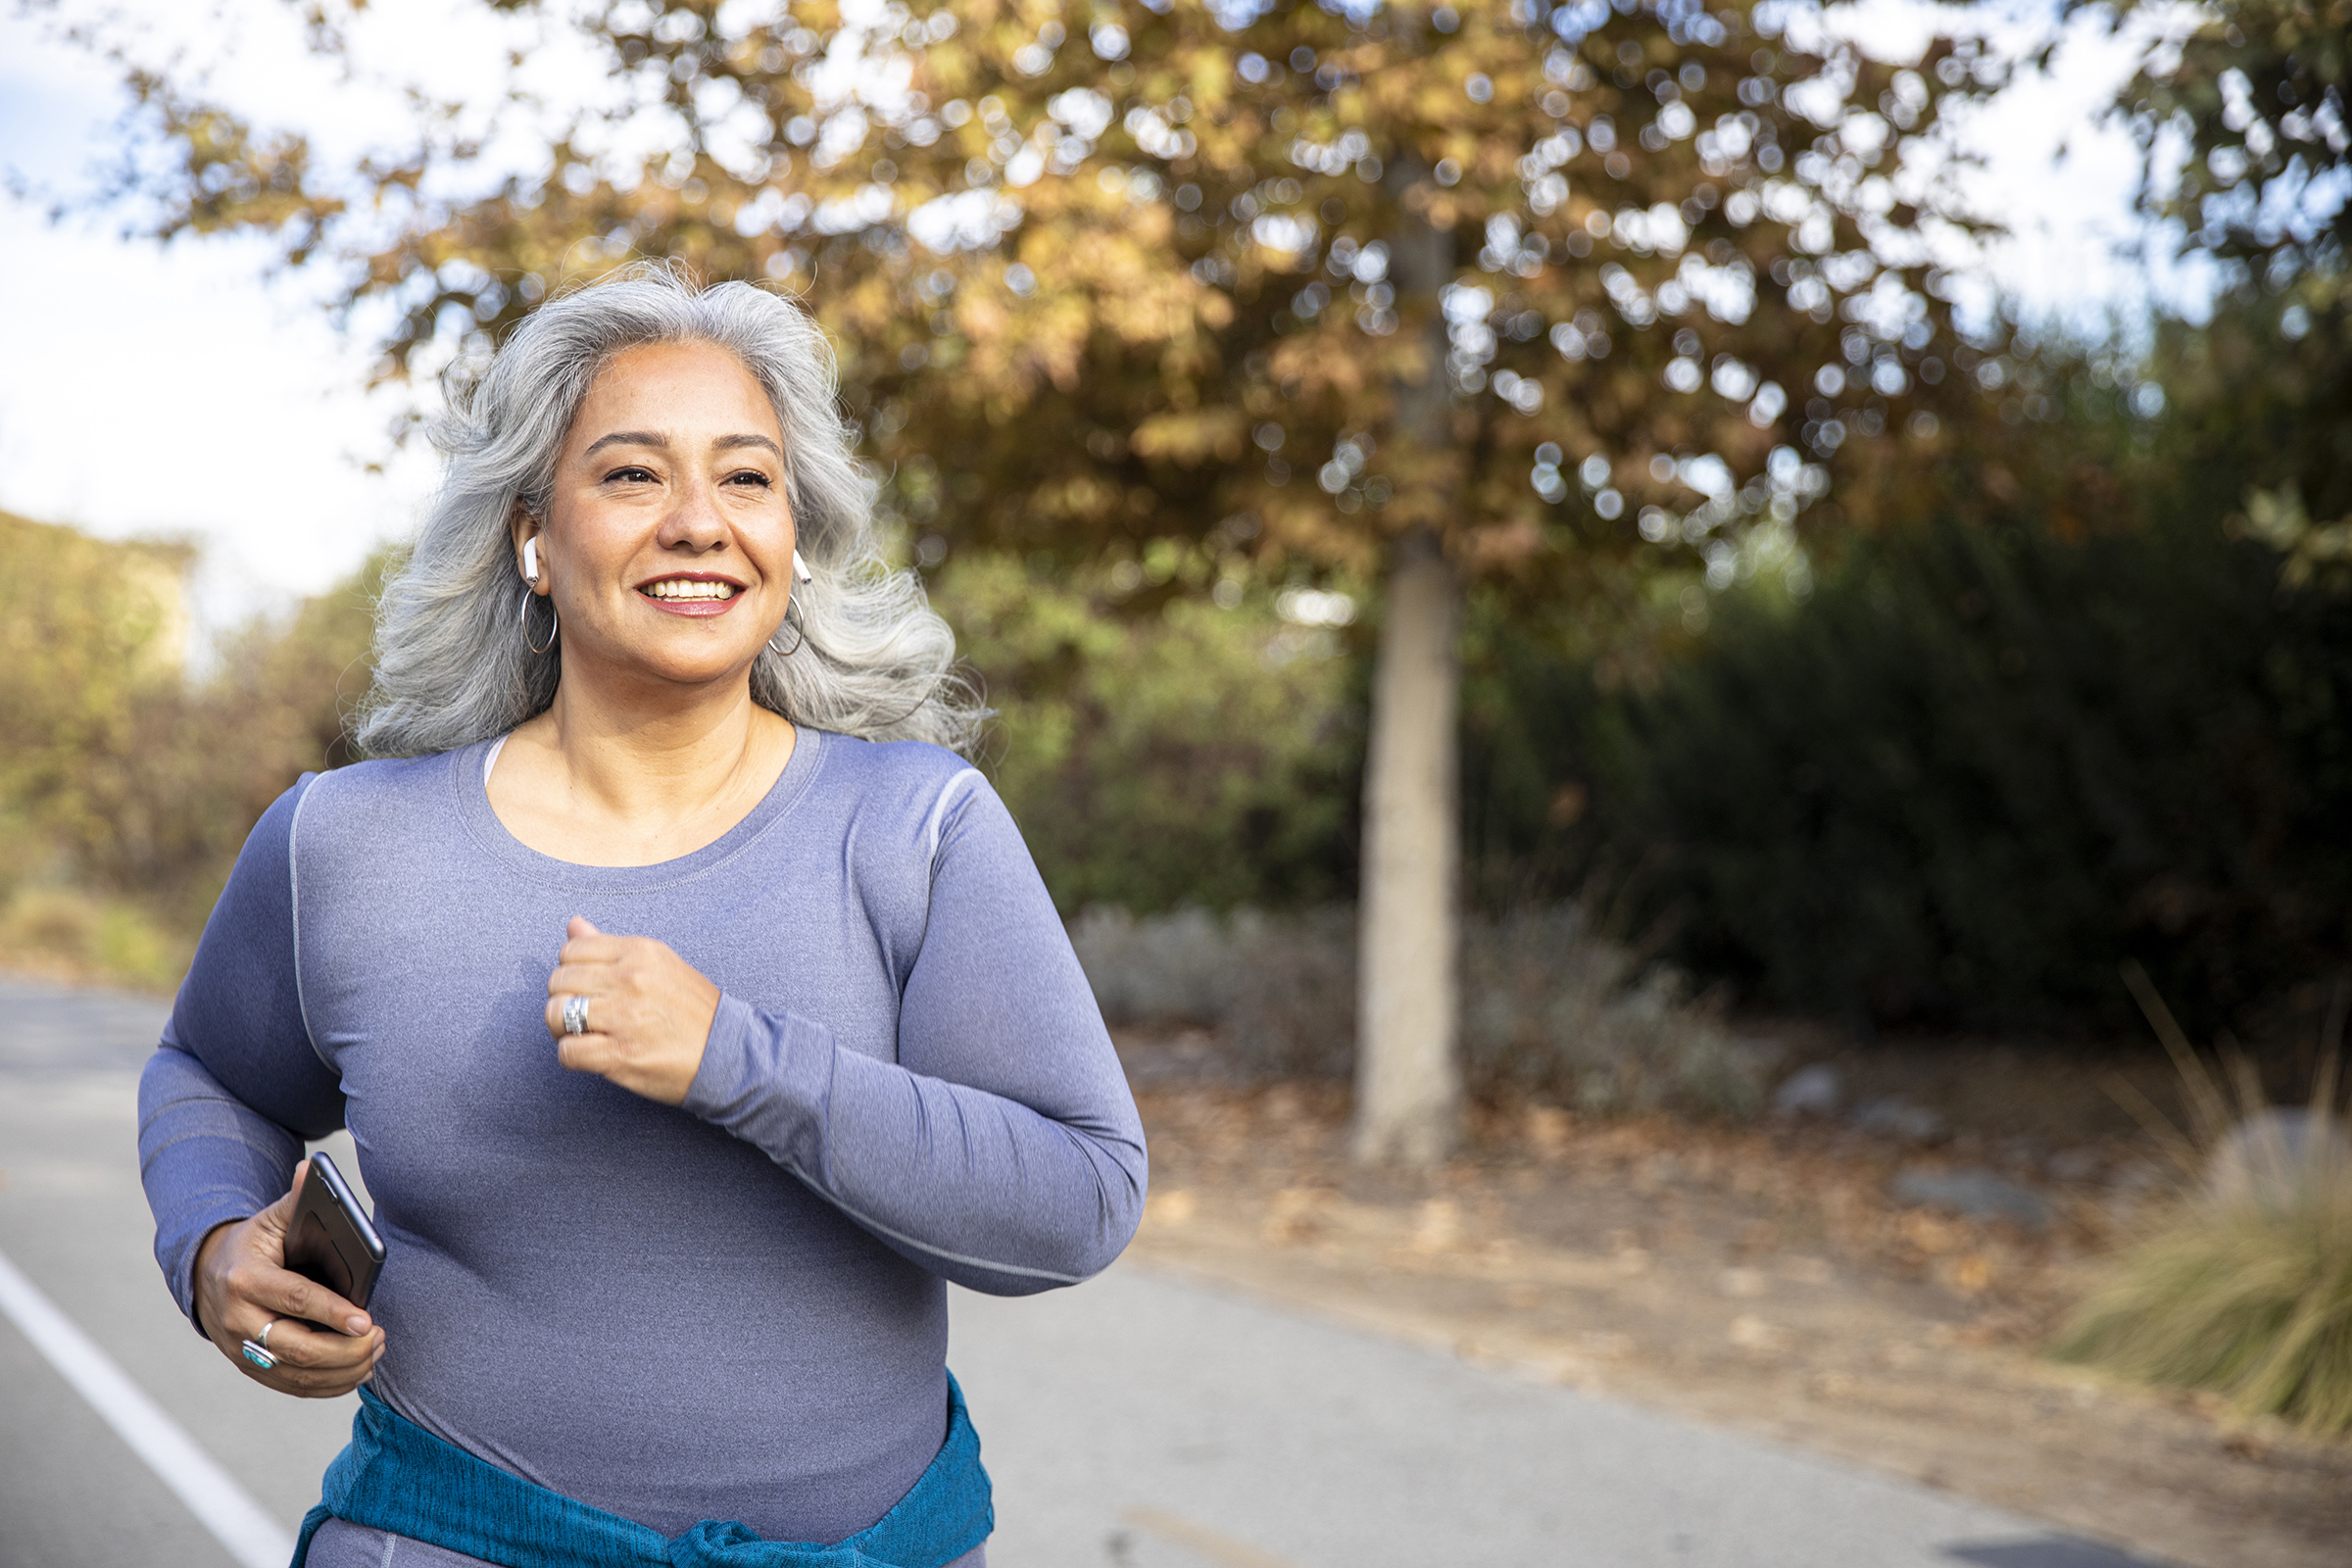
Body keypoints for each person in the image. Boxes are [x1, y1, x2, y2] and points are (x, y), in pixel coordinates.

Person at [136, 264, 1148, 1568]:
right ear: (532, 538)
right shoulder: (344, 842)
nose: (697, 521)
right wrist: (216, 1245)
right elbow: (209, 1072)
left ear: (794, 534)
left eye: (745, 476)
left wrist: (744, 1062)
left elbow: (1077, 1203)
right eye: (631, 475)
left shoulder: (918, 827)